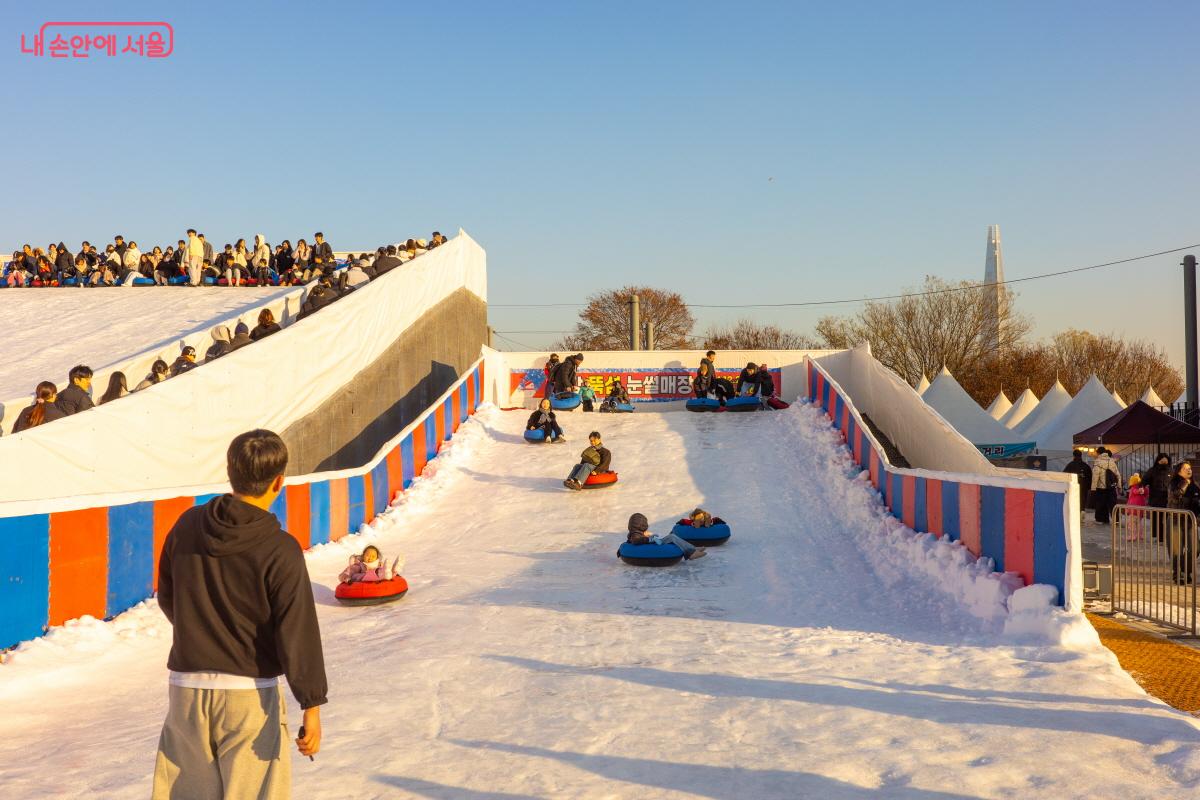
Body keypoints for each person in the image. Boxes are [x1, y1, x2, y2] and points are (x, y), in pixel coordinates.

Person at [152, 430, 327, 797]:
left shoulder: (187, 525)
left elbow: (169, 597)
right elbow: (297, 631)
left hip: (185, 691)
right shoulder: (280, 549)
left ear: (230, 471)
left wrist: (200, 632)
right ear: (279, 482)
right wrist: (311, 703)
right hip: (248, 697)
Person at [626, 512, 706, 561]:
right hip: (654, 545)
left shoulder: (637, 532)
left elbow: (640, 538)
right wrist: (649, 539)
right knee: (672, 537)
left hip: (655, 543)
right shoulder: (635, 534)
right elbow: (636, 540)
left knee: (672, 536)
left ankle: (692, 549)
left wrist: (649, 536)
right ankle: (691, 554)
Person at [1167, 461, 1197, 585]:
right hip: (1175, 520)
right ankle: (1177, 574)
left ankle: (1186, 571)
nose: (1189, 470)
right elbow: (1175, 496)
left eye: (1190, 468)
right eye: (1185, 468)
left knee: (1194, 549)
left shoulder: (1194, 485)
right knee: (1176, 550)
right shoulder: (1173, 484)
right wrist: (1185, 483)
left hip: (1190, 521)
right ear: (1179, 471)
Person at [1144, 452, 1173, 542]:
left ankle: (1167, 536)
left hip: (1168, 499)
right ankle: (1159, 537)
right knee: (1157, 518)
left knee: (1168, 519)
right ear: (1158, 460)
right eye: (1162, 459)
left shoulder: (1171, 471)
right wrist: (1141, 486)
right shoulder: (1152, 470)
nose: (1164, 460)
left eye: (1165, 458)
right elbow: (1144, 480)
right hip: (1155, 498)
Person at [1090, 448, 1122, 525]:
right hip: (1111, 487)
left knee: (1101, 504)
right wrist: (1119, 486)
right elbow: (1117, 475)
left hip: (1101, 487)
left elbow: (1095, 476)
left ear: (1098, 453)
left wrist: (1093, 488)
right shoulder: (1112, 461)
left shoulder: (1098, 462)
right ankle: (1116, 520)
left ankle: (1102, 519)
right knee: (1113, 504)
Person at [1062, 450, 1093, 522]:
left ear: (1073, 456)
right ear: (1081, 455)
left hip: (1072, 486)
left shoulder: (1070, 465)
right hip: (1084, 486)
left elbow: (1064, 475)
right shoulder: (1086, 466)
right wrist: (1089, 487)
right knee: (1082, 499)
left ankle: (1074, 515)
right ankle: (1082, 511)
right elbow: (1090, 477)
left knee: (1073, 500)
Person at [1126, 473, 1149, 542]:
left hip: (1133, 509)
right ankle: (1140, 535)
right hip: (1140, 509)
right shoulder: (1143, 488)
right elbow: (1146, 493)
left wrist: (1127, 509)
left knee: (1131, 524)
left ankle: (1133, 536)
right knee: (1139, 523)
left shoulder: (1133, 488)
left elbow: (1133, 495)